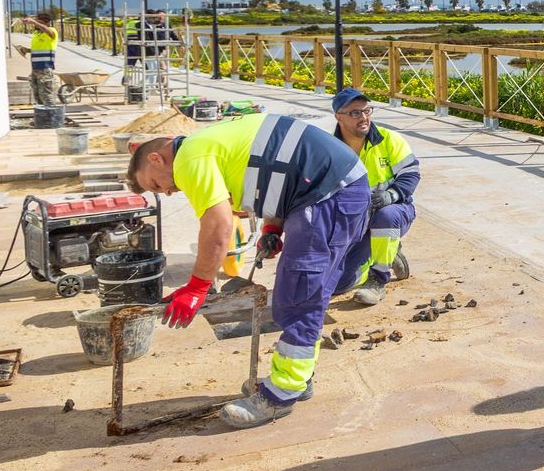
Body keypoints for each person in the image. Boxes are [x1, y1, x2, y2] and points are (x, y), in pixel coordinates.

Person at [126, 113, 371, 427]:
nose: (167, 192)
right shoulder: (208, 143)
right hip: (327, 190)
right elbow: (276, 167)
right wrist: (273, 225)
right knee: (301, 290)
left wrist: (198, 287)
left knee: (299, 295)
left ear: (156, 158)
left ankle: (282, 394)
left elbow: (218, 225)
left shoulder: (189, 158)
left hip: (329, 194)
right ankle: (299, 377)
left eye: (156, 184)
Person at [331, 87, 420, 305]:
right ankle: (389, 253)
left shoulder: (389, 139)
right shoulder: (331, 149)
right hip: (355, 223)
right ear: (338, 117)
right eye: (355, 113)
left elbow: (411, 174)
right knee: (338, 285)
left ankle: (378, 278)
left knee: (386, 216)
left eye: (367, 111)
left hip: (394, 212)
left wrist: (390, 195)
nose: (363, 117)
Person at [23, 13, 58, 105]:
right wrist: (26, 50)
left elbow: (49, 32)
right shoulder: (36, 33)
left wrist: (33, 21)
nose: (35, 23)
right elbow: (39, 49)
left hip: (45, 68)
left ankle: (51, 116)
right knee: (37, 96)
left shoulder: (51, 31)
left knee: (46, 95)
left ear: (45, 21)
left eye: (38, 20)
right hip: (35, 68)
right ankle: (42, 115)